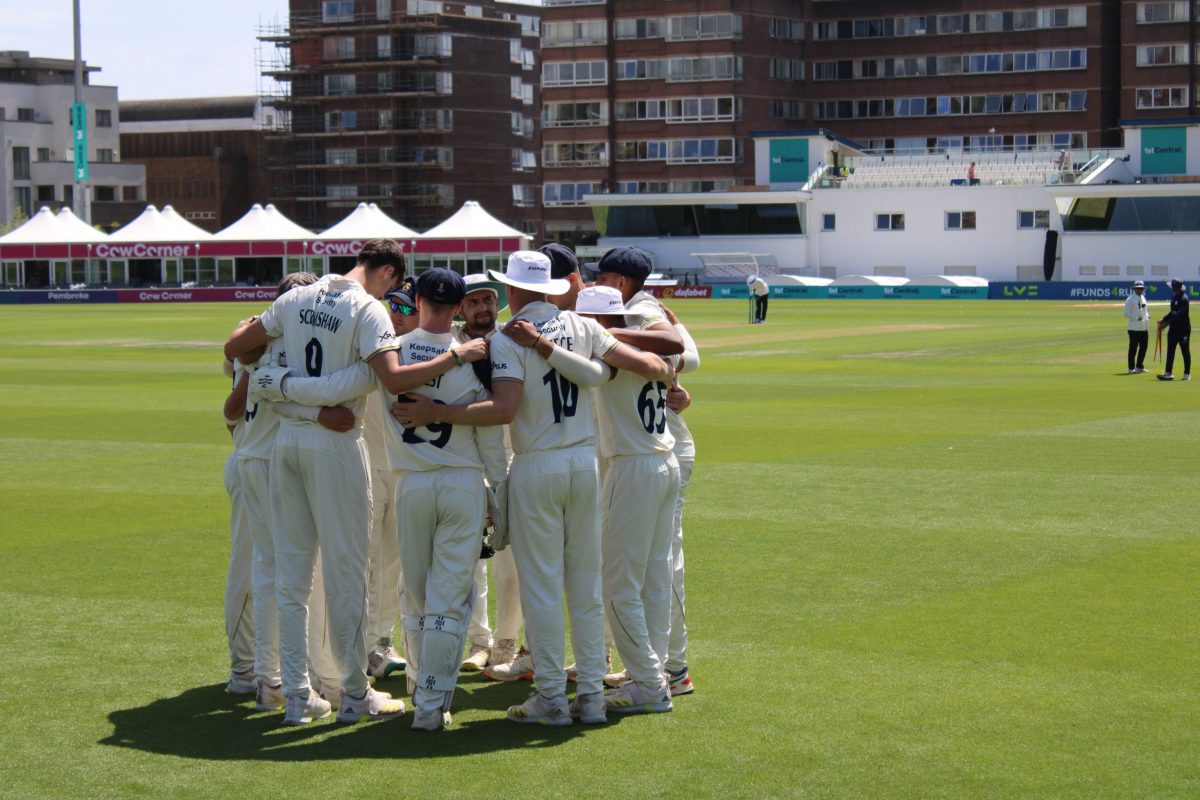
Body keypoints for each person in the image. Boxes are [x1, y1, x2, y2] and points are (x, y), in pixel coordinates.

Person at [393, 250, 673, 725]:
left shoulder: (507, 339)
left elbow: (503, 410)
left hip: (536, 466)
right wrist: (671, 371)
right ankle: (589, 697)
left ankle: (551, 699)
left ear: (513, 290)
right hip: (584, 463)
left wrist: (437, 413)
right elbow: (645, 361)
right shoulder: (581, 326)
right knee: (584, 585)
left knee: (541, 589)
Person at [224, 239, 408, 726]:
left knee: (292, 575)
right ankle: (353, 694)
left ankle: (298, 696)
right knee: (347, 573)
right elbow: (387, 378)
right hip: (336, 447)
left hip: (286, 440)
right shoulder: (369, 310)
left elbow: (236, 349)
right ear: (387, 272)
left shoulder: (292, 300)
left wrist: (288, 389)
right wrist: (343, 387)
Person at [575, 277, 681, 716]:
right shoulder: (650, 351)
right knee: (653, 580)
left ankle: (649, 683)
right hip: (663, 464)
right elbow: (673, 358)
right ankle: (650, 671)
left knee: (617, 583)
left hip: (632, 467)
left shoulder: (610, 352)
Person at [453, 273, 526, 673]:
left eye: (489, 300)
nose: (483, 308)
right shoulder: (449, 346)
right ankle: (478, 641)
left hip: (513, 459)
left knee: (510, 562)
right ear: (461, 308)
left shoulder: (513, 341)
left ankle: (506, 644)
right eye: (474, 301)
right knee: (469, 561)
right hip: (464, 462)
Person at [365, 280, 421, 682]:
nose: (396, 316)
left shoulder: (433, 348)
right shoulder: (370, 340)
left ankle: (380, 642)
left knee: (393, 563)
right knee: (365, 561)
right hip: (364, 464)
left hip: (404, 469)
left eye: (405, 309)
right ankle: (360, 645)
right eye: (392, 307)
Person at [1157, 279, 1191, 381]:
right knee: (1170, 351)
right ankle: (1168, 372)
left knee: (1185, 351)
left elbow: (1179, 315)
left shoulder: (1184, 299)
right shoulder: (1174, 297)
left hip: (1183, 330)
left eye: (1173, 287)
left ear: (1177, 288)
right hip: (1173, 330)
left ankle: (1187, 373)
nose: (1172, 289)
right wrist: (1164, 319)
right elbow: (1172, 312)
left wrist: (1166, 324)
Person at [1124, 280, 1149, 375]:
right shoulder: (1130, 299)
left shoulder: (1143, 298)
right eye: (1138, 288)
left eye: (1141, 289)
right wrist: (1136, 318)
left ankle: (1139, 366)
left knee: (1144, 347)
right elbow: (1126, 313)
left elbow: (1144, 310)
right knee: (1133, 348)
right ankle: (1131, 368)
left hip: (1143, 327)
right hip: (1133, 328)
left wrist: (1147, 315)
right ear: (1134, 289)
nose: (1139, 290)